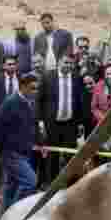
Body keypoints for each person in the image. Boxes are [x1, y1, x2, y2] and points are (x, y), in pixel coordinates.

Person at [0, 72, 41, 213]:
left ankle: (4, 218)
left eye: (37, 88)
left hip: (24, 152)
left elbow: (31, 126)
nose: (35, 92)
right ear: (23, 87)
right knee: (30, 181)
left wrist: (39, 143)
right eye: (32, 88)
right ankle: (15, 215)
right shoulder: (11, 102)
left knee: (11, 186)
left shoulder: (29, 102)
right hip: (11, 152)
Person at [39, 54, 86, 184]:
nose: (68, 65)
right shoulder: (48, 76)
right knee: (52, 157)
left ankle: (71, 185)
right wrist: (41, 121)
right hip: (52, 124)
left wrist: (80, 123)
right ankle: (51, 185)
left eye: (71, 63)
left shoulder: (76, 78)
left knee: (70, 157)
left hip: (70, 124)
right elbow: (39, 100)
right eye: (66, 62)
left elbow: (79, 101)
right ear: (59, 62)